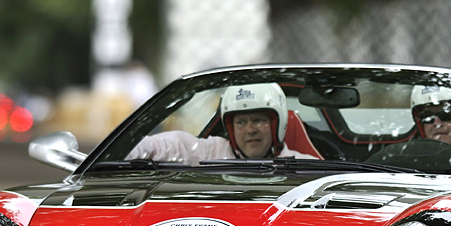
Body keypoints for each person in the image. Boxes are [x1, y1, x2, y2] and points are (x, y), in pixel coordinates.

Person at [126, 83, 318, 164]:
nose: (250, 130)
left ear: (278, 124)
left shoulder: (304, 166)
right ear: (230, 128)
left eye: (258, 120)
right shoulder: (212, 152)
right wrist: (125, 151)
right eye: (241, 122)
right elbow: (169, 145)